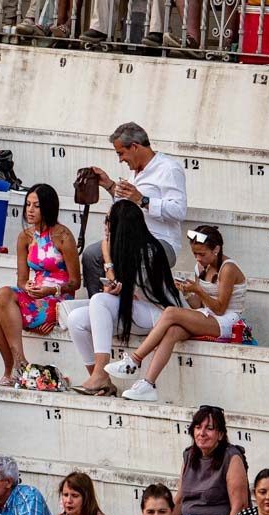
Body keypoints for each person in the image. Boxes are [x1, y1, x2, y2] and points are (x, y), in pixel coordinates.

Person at [109, 226, 247, 401]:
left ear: (216, 249)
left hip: (228, 321)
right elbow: (198, 306)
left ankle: (134, 360)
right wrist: (187, 292)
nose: (198, 258)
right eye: (195, 254)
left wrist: (198, 289)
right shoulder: (200, 267)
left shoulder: (228, 268)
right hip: (207, 316)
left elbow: (220, 308)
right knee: (172, 331)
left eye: (202, 254)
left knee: (171, 313)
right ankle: (148, 384)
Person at [68, 200, 181, 395]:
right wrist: (111, 289)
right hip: (134, 311)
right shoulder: (119, 247)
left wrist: (107, 258)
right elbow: (123, 292)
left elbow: (135, 290)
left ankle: (99, 373)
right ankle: (101, 379)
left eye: (108, 220)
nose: (105, 225)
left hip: (158, 314)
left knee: (99, 301)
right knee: (76, 319)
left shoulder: (149, 251)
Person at [0, 183, 80, 385]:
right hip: (35, 293)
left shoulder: (63, 236)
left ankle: (18, 366)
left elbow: (75, 282)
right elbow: (21, 279)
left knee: (2, 298)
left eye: (36, 206)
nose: (29, 210)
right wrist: (27, 287)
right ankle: (13, 366)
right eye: (28, 204)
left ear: (48, 207)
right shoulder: (25, 237)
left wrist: (51, 289)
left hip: (57, 296)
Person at [82, 123, 187, 296]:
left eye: (121, 153)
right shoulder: (136, 171)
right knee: (91, 255)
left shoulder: (169, 169)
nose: (120, 160)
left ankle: (127, 308)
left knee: (140, 255)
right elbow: (129, 204)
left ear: (135, 147)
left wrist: (142, 200)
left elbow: (179, 211)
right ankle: (98, 304)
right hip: (128, 239)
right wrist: (109, 185)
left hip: (160, 242)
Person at [169, 405, 249, 515]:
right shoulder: (189, 455)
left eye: (209, 428)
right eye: (198, 427)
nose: (202, 433)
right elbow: (179, 499)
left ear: (220, 434)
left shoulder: (231, 457)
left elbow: (240, 506)